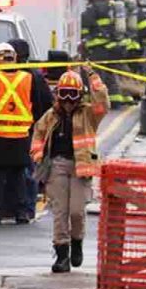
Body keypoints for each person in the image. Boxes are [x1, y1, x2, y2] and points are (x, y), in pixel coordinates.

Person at [30, 69, 109, 273]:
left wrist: (93, 76)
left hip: (81, 168)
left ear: (80, 95)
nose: (67, 100)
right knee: (60, 212)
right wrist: (38, 156)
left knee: (76, 211)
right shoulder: (51, 115)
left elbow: (102, 101)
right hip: (57, 166)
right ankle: (62, 254)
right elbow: (37, 137)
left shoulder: (89, 114)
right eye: (63, 93)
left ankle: (77, 242)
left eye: (72, 94)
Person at [0, 43, 42, 225]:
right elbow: (36, 105)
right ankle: (21, 212)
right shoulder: (28, 78)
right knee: (19, 175)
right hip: (21, 134)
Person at [8, 38, 53, 220]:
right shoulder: (32, 75)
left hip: (29, 131)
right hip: (19, 130)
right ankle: (20, 208)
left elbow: (44, 104)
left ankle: (26, 208)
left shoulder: (30, 77)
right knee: (20, 172)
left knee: (27, 172)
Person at [80, 0, 125, 107]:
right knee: (110, 74)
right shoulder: (113, 7)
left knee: (97, 75)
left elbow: (85, 25)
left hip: (99, 48)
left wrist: (85, 42)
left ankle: (99, 101)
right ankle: (116, 101)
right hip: (114, 48)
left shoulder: (94, 8)